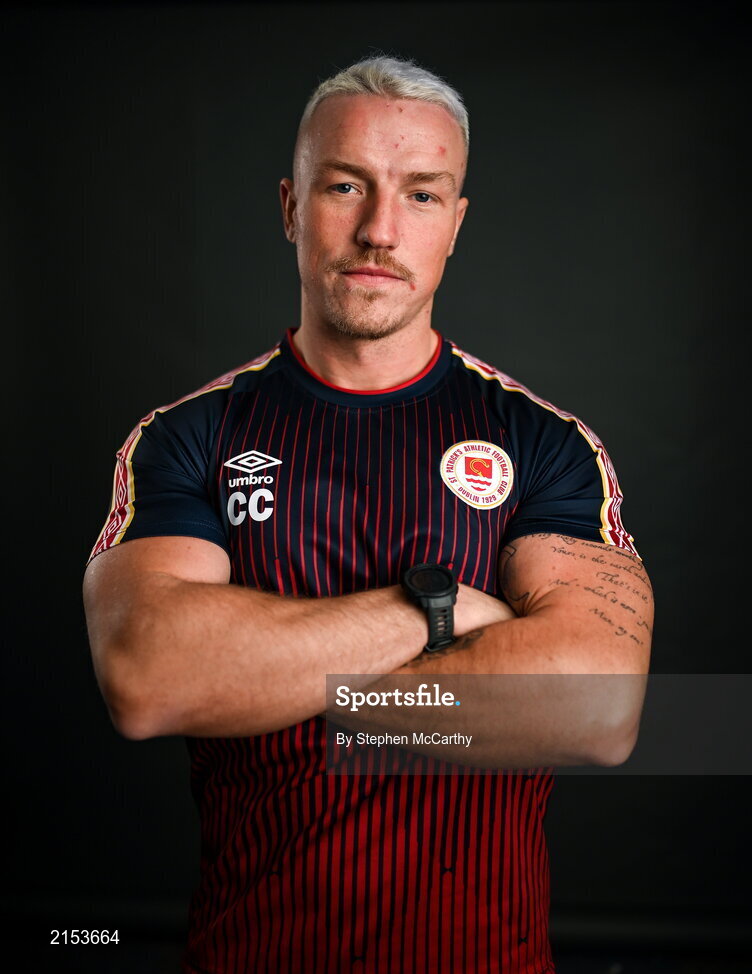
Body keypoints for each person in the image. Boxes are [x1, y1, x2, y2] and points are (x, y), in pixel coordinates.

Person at [83, 56, 653, 974]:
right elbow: (149, 678)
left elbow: (597, 707)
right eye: (346, 185)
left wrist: (286, 683)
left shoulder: (546, 445)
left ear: (456, 226)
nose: (381, 229)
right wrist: (432, 614)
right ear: (290, 206)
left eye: (422, 196)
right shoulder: (185, 439)